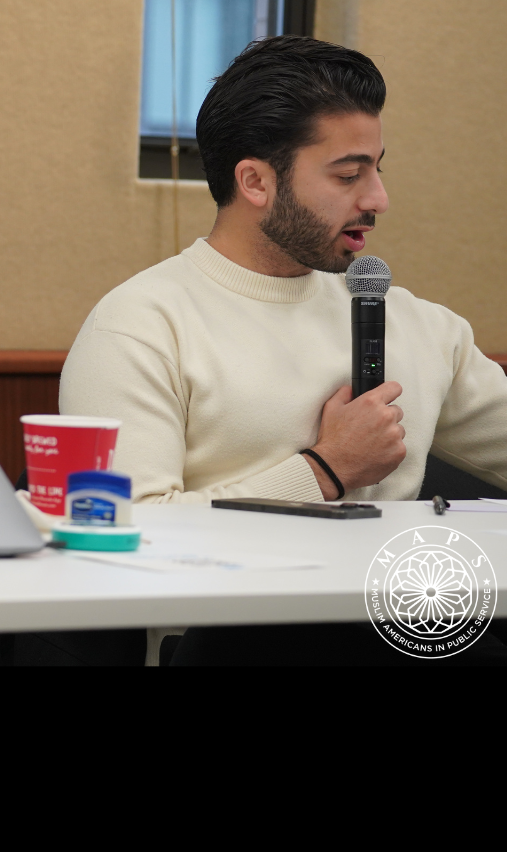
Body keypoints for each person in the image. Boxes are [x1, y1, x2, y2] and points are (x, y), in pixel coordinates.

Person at [58, 35, 506, 665]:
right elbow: (130, 534)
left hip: (408, 631)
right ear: (255, 181)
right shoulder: (142, 326)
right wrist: (324, 469)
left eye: (378, 169)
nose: (378, 199)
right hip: (229, 642)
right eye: (348, 174)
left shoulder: (415, 323)